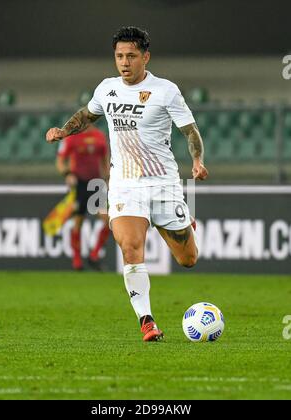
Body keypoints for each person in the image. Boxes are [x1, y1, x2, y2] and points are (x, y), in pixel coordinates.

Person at [46, 26, 208, 341]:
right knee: (131, 246)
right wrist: (65, 131)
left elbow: (190, 131)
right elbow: (87, 114)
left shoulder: (165, 90)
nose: (124, 62)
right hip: (125, 184)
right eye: (119, 56)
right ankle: (147, 321)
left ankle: (185, 222)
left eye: (131, 56)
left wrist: (197, 161)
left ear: (145, 57)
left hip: (163, 183)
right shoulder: (107, 88)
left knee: (188, 259)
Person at [56, 125, 110, 271]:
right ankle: (77, 261)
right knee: (78, 221)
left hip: (96, 183)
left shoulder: (99, 135)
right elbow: (61, 160)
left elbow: (105, 159)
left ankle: (94, 254)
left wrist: (108, 178)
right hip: (79, 183)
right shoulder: (70, 137)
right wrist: (67, 174)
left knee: (108, 220)